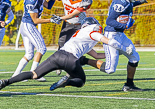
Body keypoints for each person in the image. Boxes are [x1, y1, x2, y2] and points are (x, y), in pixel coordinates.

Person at [53, 0, 148, 92]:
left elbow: (129, 4)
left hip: (120, 34)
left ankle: (129, 85)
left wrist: (138, 2)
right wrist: (125, 26)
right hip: (112, 35)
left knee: (134, 57)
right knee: (110, 69)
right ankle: (83, 61)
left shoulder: (125, 0)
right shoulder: (121, 3)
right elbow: (109, 21)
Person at [0, 17, 133, 91]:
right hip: (71, 59)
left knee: (34, 74)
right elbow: (108, 41)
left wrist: (115, 53)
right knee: (81, 81)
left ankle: (6, 82)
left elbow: (98, 55)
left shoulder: (80, 35)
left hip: (58, 54)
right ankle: (67, 82)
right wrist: (121, 48)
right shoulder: (92, 32)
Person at [11, 0, 61, 81]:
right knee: (42, 48)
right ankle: (34, 73)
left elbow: (49, 5)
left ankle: (16, 74)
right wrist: (50, 20)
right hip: (29, 25)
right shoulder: (31, 1)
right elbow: (35, 20)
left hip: (26, 25)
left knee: (29, 54)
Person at [45, 0, 93, 75]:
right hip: (67, 23)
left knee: (76, 47)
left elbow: (72, 15)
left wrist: (60, 18)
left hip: (79, 25)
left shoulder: (86, 1)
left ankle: (72, 67)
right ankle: (58, 64)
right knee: (61, 43)